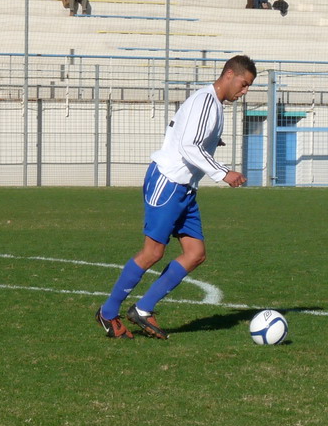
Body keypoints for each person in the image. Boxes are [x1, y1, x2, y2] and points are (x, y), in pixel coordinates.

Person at [95, 55, 257, 340]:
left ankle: (143, 309)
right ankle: (108, 312)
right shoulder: (206, 101)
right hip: (168, 182)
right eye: (244, 85)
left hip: (186, 189)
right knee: (153, 253)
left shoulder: (213, 105)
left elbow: (185, 133)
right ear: (229, 74)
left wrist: (211, 142)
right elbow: (186, 145)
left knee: (195, 254)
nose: (244, 92)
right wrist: (223, 172)